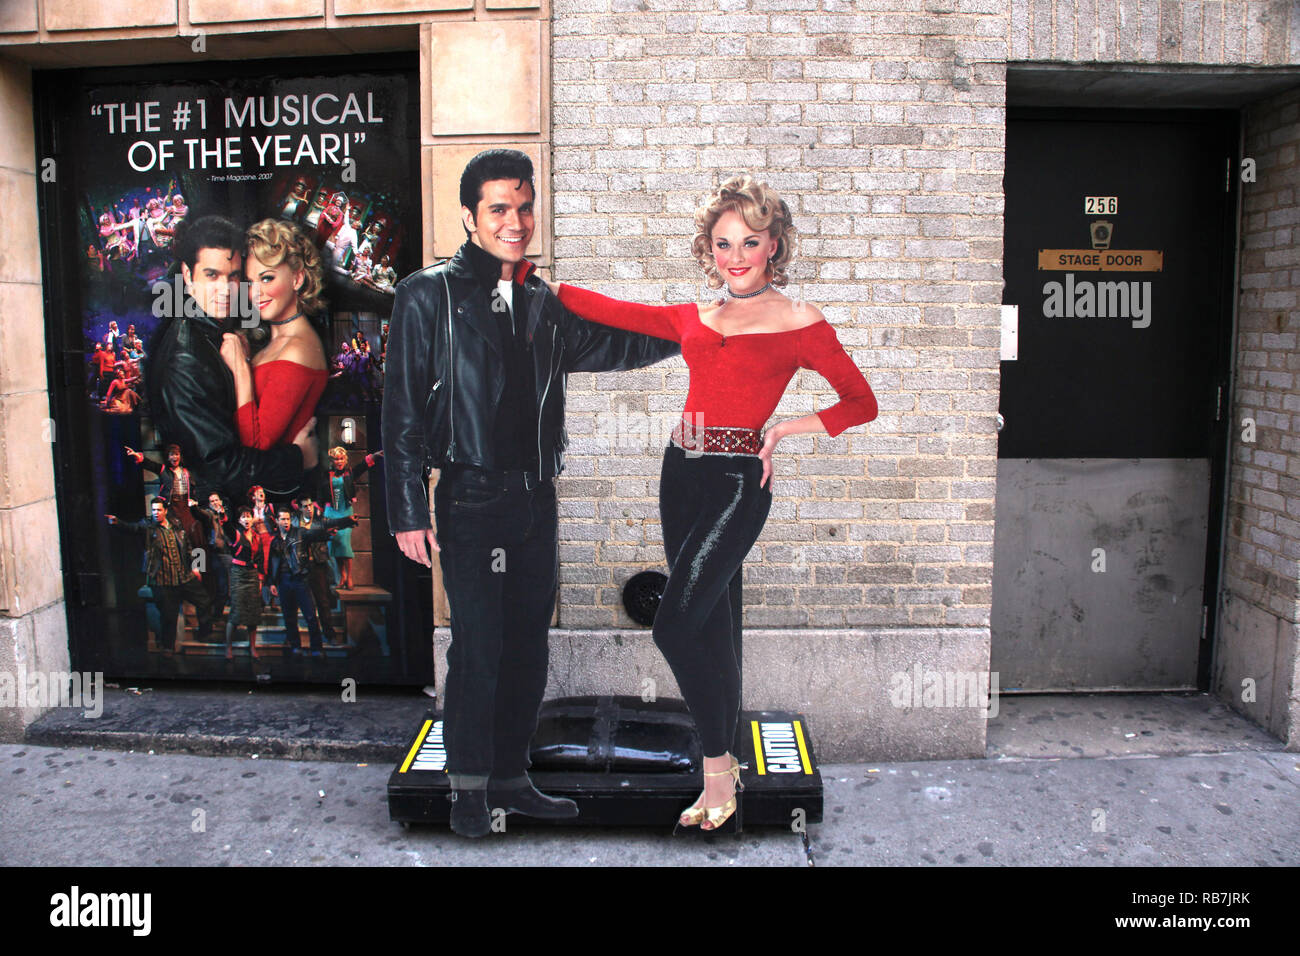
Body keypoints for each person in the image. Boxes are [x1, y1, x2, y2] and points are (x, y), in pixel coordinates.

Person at [547, 175, 879, 831]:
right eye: (723, 244)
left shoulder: (800, 322)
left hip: (736, 482)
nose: (735, 256)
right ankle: (721, 782)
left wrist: (784, 430)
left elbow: (861, 402)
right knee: (717, 627)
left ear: (772, 244)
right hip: (681, 472)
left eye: (749, 242)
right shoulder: (699, 317)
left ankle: (718, 770)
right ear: (710, 249)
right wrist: (540, 285)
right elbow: (617, 312)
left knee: (675, 623)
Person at [382, 148, 680, 838]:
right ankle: (466, 791)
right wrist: (405, 508)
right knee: (479, 648)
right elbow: (398, 411)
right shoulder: (425, 295)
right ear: (469, 217)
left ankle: (512, 780)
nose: (515, 221)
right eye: (498, 208)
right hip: (467, 498)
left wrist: (691, 333)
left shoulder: (543, 302)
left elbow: (615, 346)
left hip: (534, 499)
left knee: (526, 650)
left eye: (524, 206)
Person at [147, 215, 318, 502]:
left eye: (233, 276)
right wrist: (297, 456)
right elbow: (221, 467)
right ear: (188, 276)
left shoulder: (217, 331)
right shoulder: (185, 359)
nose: (225, 289)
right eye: (212, 275)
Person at [221, 219, 330, 451]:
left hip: (277, 485)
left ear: (297, 279)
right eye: (250, 282)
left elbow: (257, 446)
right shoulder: (279, 342)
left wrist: (241, 368)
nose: (256, 293)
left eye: (267, 278)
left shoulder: (299, 348)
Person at [106, 498, 214, 654]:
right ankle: (168, 647)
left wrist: (196, 566)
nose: (156, 513)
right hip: (164, 579)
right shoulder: (148, 526)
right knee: (169, 616)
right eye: (154, 510)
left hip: (184, 576)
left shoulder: (176, 526)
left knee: (204, 601)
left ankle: (205, 633)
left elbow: (188, 547)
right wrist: (117, 523)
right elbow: (133, 528)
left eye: (158, 510)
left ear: (165, 511)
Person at [266, 504, 355, 657]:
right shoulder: (275, 542)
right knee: (289, 617)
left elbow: (317, 533)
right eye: (283, 519)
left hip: (300, 579)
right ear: (278, 521)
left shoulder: (299, 533)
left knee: (310, 616)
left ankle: (316, 648)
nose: (286, 522)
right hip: (284, 581)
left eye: (288, 519)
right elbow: (272, 563)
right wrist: (272, 582)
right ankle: (295, 646)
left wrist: (345, 521)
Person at [319, 447, 381, 590]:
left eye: (341, 458)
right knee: (334, 544)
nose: (339, 461)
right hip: (331, 512)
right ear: (332, 461)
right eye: (336, 459)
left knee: (344, 544)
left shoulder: (349, 473)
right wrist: (320, 509)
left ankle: (350, 576)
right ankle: (342, 577)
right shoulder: (326, 474)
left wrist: (374, 456)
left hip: (345, 511)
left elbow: (363, 466)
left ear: (345, 459)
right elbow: (320, 491)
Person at [224, 507, 265, 660]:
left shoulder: (257, 536)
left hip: (252, 575)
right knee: (236, 611)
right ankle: (228, 647)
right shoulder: (236, 534)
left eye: (249, 517)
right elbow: (226, 526)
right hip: (238, 574)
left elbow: (260, 559)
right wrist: (222, 514)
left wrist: (260, 579)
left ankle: (252, 647)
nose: (247, 520)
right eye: (243, 517)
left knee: (253, 613)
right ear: (239, 520)